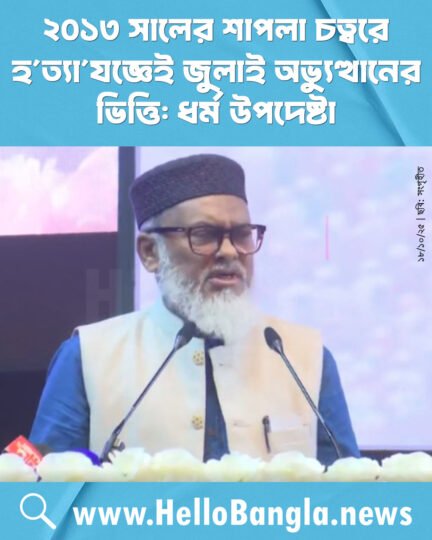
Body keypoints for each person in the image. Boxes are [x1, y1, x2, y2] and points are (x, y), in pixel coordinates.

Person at [30, 154, 359, 465]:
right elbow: (43, 484)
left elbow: (349, 488)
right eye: (204, 235)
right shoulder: (89, 355)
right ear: (149, 252)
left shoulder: (302, 355)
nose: (229, 251)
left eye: (242, 235)